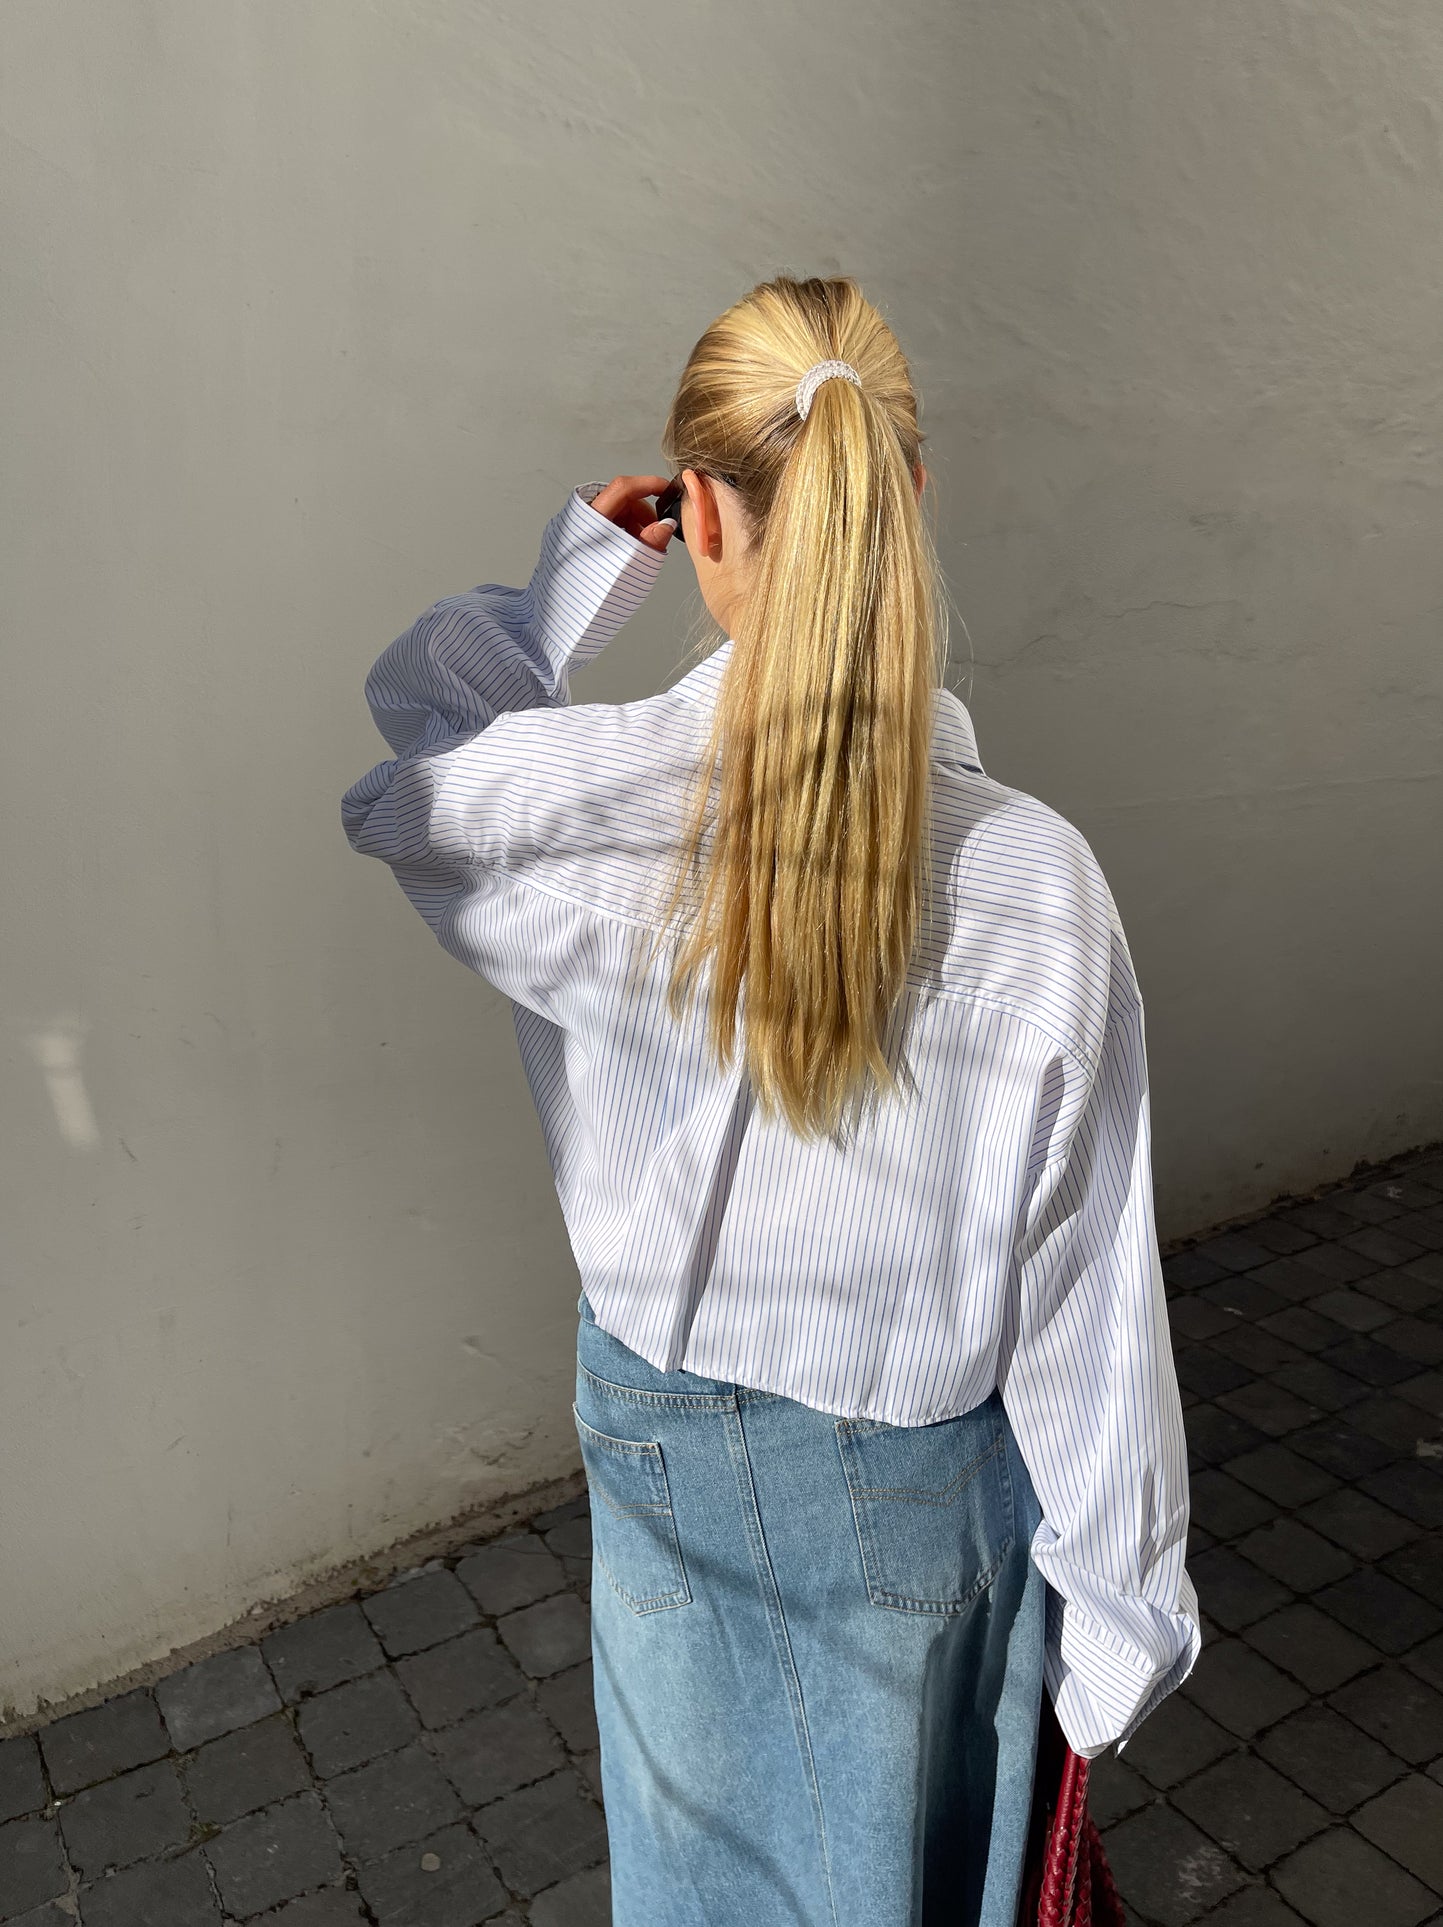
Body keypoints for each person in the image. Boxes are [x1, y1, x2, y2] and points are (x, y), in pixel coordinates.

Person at [342, 273, 1198, 1927]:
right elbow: (1084, 1280)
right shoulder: (1033, 879)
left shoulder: (582, 835)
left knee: (704, 1886)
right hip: (930, 1475)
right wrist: (1121, 1608)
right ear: (907, 499)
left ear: (701, 520)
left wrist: (565, 581)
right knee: (920, 1877)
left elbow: (412, 778)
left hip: (666, 1446)